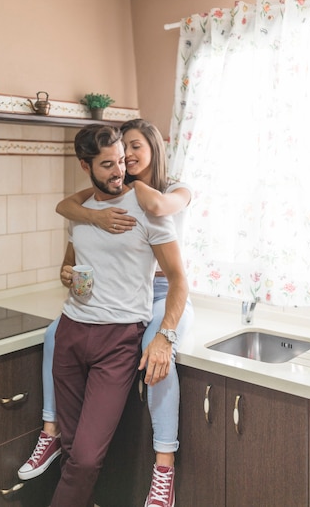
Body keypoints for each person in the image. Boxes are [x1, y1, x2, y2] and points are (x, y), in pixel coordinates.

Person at [18, 120, 192, 507]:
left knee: (85, 457)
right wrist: (66, 273)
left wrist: (165, 333)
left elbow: (179, 280)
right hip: (70, 335)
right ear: (85, 167)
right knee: (72, 449)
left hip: (117, 341)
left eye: (120, 162)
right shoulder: (79, 212)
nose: (119, 171)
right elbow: (69, 264)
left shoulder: (149, 210)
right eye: (107, 165)